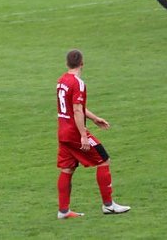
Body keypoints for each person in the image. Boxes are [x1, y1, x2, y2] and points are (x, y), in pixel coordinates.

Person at [56, 49, 131, 219]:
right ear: (82, 63)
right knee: (103, 160)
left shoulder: (61, 81)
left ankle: (63, 211)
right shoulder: (78, 83)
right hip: (75, 132)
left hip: (63, 131)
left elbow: (75, 108)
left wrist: (94, 118)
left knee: (67, 168)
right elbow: (76, 109)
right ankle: (109, 206)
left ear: (67, 63)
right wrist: (83, 135)